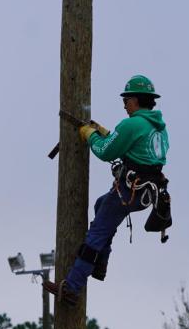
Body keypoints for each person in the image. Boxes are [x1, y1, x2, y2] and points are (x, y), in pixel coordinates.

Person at [45, 74, 171, 306]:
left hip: (128, 191)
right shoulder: (159, 129)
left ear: (136, 100)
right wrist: (103, 131)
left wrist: (90, 135)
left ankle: (72, 287)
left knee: (96, 235)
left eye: (127, 100)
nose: (124, 104)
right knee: (101, 204)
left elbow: (106, 152)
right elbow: (130, 146)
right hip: (146, 195)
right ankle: (101, 263)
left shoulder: (132, 124)